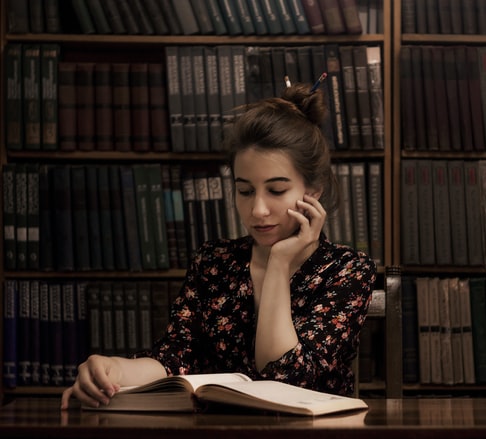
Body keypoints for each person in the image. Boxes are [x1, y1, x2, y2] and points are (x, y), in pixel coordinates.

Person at [61, 80, 377, 409]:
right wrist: (112, 369)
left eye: (277, 190)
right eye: (244, 190)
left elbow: (282, 378)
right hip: (220, 430)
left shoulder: (348, 270)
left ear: (314, 190)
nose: (257, 210)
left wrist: (279, 263)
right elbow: (173, 358)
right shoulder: (215, 260)